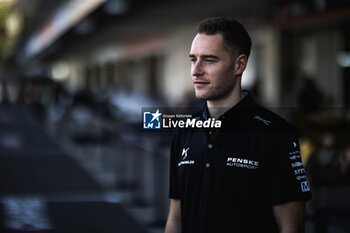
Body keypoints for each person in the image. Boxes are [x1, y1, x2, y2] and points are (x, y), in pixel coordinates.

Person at [164, 16, 312, 233]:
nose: (195, 71)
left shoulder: (276, 133)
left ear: (239, 64)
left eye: (209, 60)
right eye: (193, 59)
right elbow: (176, 219)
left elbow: (292, 227)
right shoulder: (184, 131)